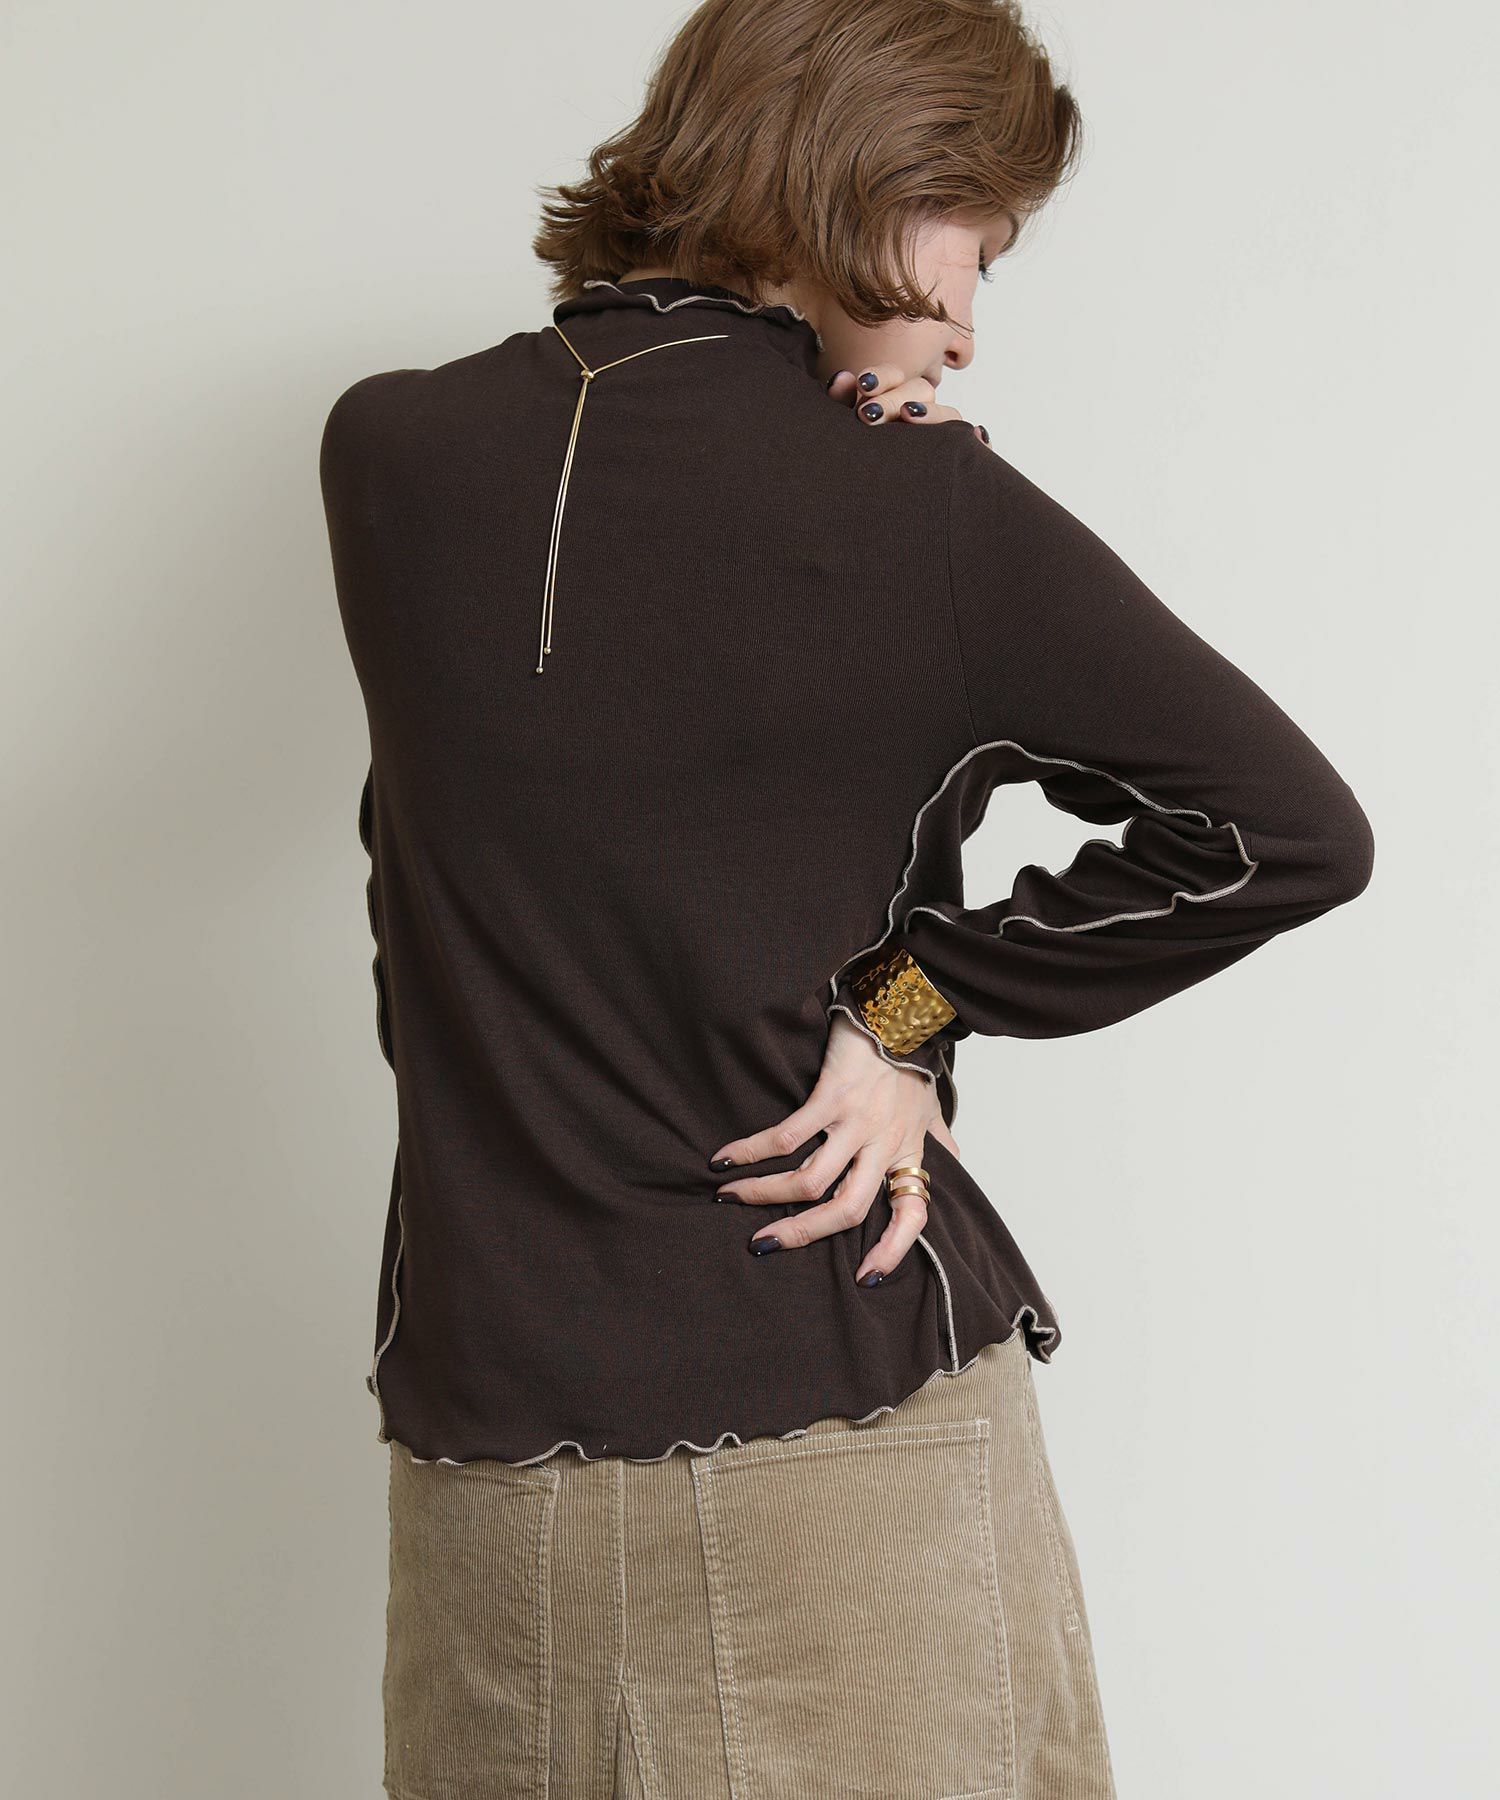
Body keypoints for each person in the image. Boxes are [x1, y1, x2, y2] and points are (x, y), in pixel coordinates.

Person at [318, 2, 1375, 1795]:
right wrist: (907, 1011)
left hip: (487, 1463)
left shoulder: (384, 455)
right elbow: (1289, 830)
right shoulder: (918, 504)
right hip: (842, 1447)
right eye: (979, 241)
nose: (969, 315)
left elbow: (447, 864)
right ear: (865, 171)